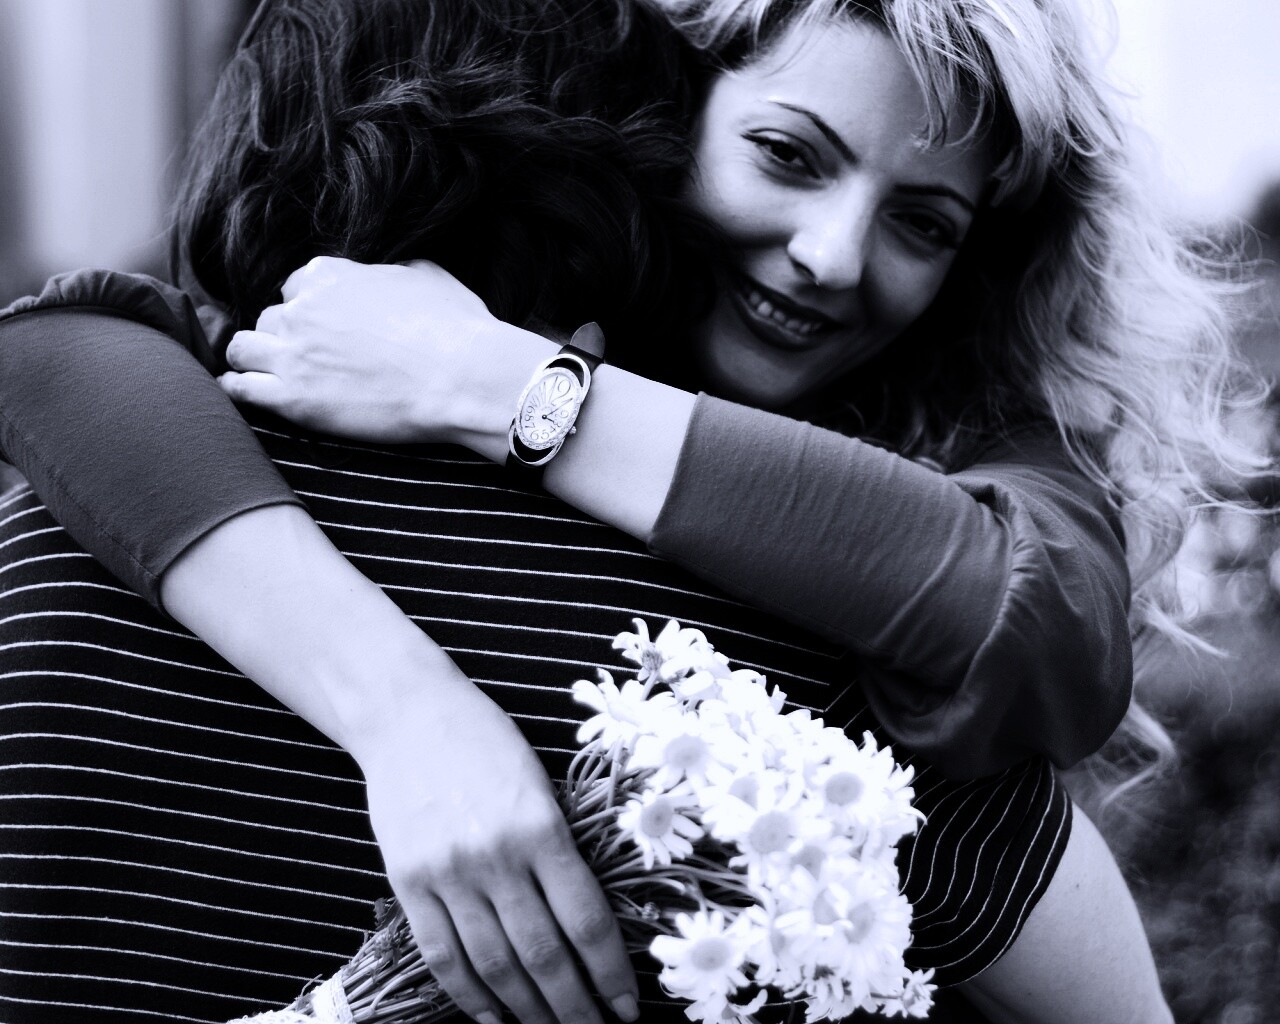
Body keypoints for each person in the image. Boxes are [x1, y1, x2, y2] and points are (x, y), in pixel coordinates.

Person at [0, 0, 1248, 1019]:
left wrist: (503, 386)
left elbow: (1028, 607)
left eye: (922, 223)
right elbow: (57, 349)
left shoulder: (931, 488)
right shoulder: (296, 405)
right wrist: (410, 713)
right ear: (661, 119)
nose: (829, 252)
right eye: (787, 154)